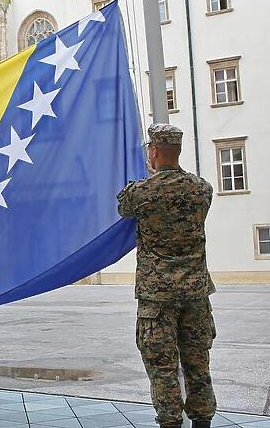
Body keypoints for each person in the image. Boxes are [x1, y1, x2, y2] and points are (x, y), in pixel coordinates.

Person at [117, 123, 217, 428]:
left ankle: (170, 421)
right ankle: (202, 420)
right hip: (195, 294)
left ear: (154, 151)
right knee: (198, 365)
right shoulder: (202, 189)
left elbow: (123, 207)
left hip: (157, 297)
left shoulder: (141, 192)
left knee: (162, 368)